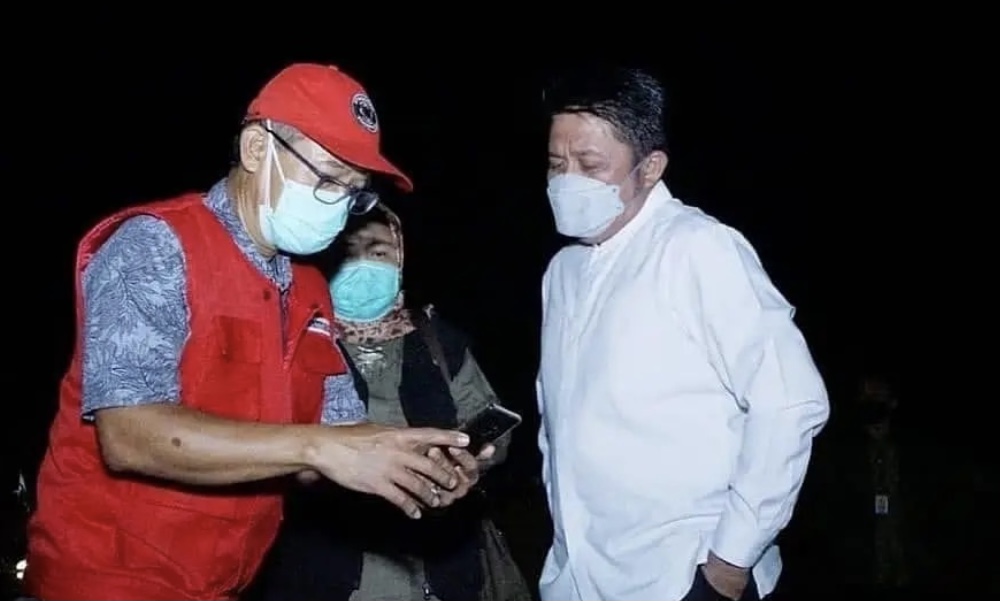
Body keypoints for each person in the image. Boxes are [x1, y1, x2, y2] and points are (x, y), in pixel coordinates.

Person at [24, 63, 475, 601]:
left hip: (225, 584)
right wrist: (318, 447)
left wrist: (411, 462)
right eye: (329, 178)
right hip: (106, 579)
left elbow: (332, 446)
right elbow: (128, 435)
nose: (340, 206)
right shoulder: (155, 246)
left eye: (355, 192)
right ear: (258, 150)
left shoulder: (311, 289)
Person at [535, 64, 830, 601]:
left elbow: (790, 403)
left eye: (590, 165)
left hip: (680, 576)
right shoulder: (563, 273)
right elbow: (558, 421)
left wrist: (729, 563)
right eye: (557, 164)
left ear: (649, 168)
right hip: (580, 575)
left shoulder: (698, 249)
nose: (567, 180)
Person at [249, 206, 531, 601]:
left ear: (399, 260)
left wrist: (474, 458)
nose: (363, 262)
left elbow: (487, 420)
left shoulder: (437, 339)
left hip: (441, 568)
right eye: (349, 252)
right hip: (332, 569)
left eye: (378, 251)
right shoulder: (295, 341)